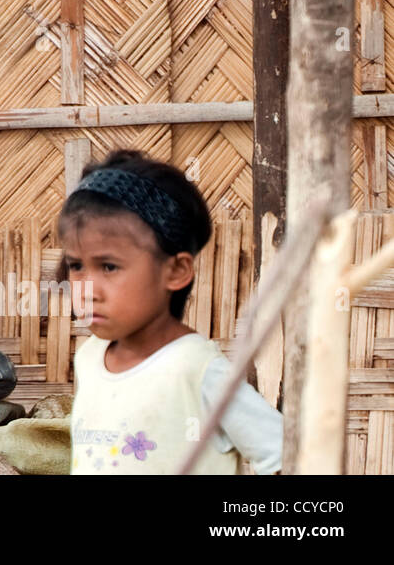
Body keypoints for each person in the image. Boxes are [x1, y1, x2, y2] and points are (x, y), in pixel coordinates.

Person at [60, 149, 282, 475]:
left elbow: (284, 454)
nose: (87, 288)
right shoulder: (89, 358)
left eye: (109, 266)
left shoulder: (196, 369)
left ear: (176, 271)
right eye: (77, 265)